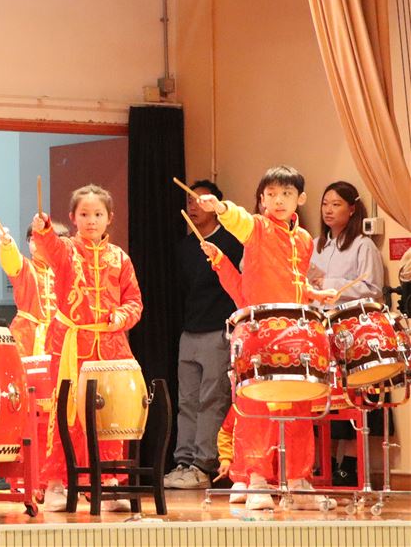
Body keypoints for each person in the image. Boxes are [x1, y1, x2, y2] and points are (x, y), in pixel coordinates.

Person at [196, 165, 339, 511]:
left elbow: (292, 281)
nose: (278, 200)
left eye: (286, 194)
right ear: (261, 200)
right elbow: (238, 219)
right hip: (259, 333)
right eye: (271, 194)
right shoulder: (257, 228)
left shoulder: (304, 240)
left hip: (295, 334)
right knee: (256, 407)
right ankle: (256, 478)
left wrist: (315, 295)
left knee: (299, 407)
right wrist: (221, 208)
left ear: (300, 199)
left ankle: (299, 480)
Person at [30, 184, 142, 513]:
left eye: (98, 214)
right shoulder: (66, 250)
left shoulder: (120, 258)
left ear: (110, 218)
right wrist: (43, 229)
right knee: (66, 414)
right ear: (73, 217)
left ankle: (108, 482)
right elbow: (48, 246)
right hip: (70, 344)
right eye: (84, 214)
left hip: (110, 345)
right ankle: (57, 483)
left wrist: (120, 317)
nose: (91, 220)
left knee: (110, 415)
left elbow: (134, 302)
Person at [164, 180, 244, 491]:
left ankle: (203, 465)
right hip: (190, 331)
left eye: (199, 200)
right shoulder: (185, 247)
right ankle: (183, 461)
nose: (193, 206)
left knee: (212, 399)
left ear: (215, 205)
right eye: (189, 201)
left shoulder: (231, 241)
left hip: (219, 331)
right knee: (187, 400)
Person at [307, 181, 387, 484]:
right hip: (321, 327)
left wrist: (330, 285)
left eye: (336, 204)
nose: (328, 210)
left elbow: (372, 288)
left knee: (355, 396)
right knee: (323, 396)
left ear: (352, 209)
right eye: (325, 203)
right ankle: (324, 460)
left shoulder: (363, 245)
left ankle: (350, 463)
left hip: (351, 329)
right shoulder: (316, 244)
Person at [0, 221, 65, 357]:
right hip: (25, 335)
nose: (36, 244)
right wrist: (7, 244)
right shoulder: (24, 267)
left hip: (57, 334)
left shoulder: (64, 272)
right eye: (33, 239)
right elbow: (12, 260)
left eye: (41, 239)